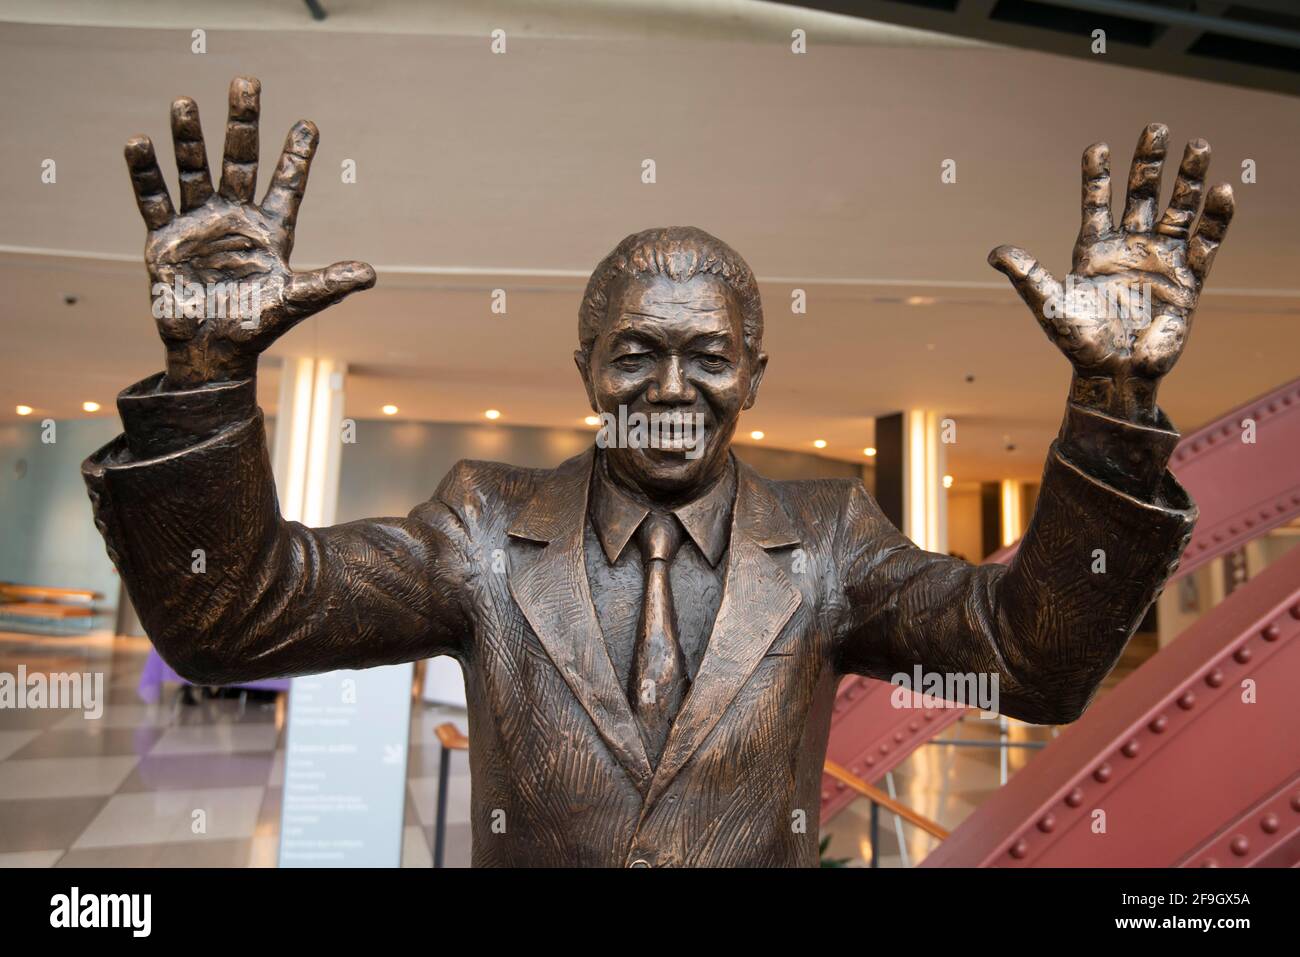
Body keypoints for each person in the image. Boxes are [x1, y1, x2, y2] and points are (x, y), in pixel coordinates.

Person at [85, 77, 1233, 867]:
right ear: (585, 369)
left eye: (709, 357)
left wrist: (1112, 406)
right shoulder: (484, 528)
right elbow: (233, 621)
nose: (671, 387)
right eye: (634, 353)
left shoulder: (828, 539)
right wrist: (207, 378)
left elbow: (1030, 660)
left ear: (754, 377)